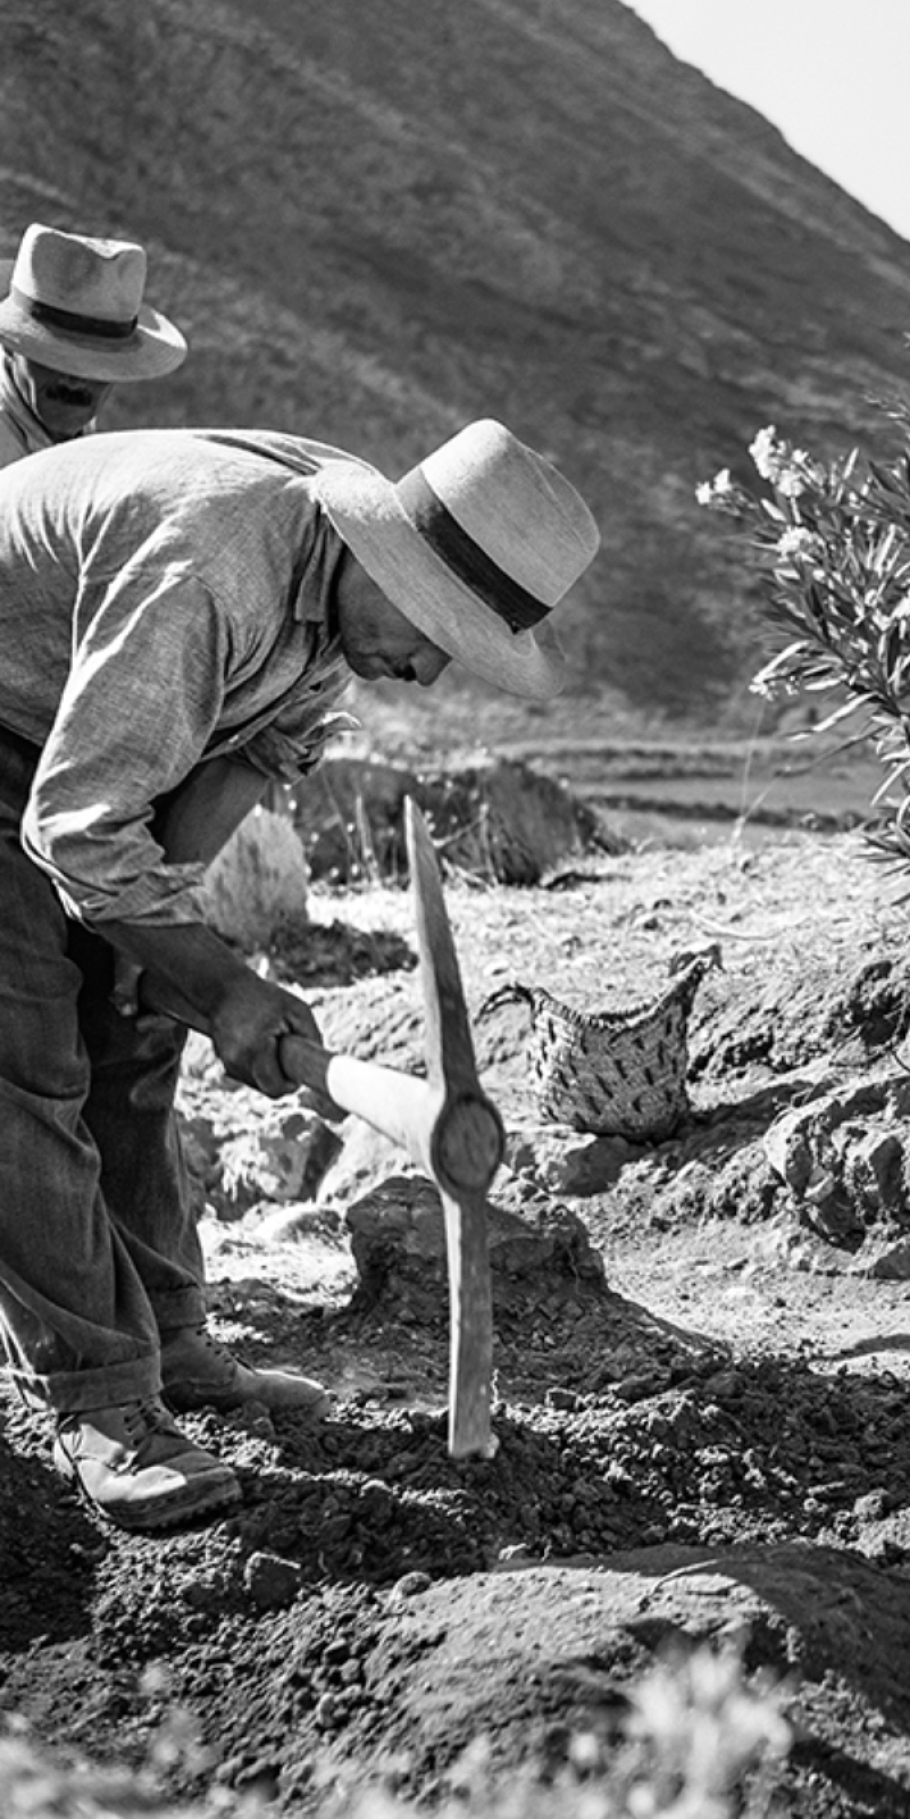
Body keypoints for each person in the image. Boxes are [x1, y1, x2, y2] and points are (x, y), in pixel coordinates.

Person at [0, 419, 599, 1530]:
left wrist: (170, 968)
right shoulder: (214, 567)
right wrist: (224, 983)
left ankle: (170, 1344)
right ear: (389, 560)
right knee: (22, 1065)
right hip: (15, 735)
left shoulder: (336, 605)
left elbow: (239, 767)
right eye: (435, 632)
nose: (424, 670)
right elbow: (78, 830)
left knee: (134, 1032)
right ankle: (99, 1404)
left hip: (63, 748)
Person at [0, 223, 188, 465]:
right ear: (13, 347)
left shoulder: (67, 420)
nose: (75, 380)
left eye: (97, 366)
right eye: (56, 358)